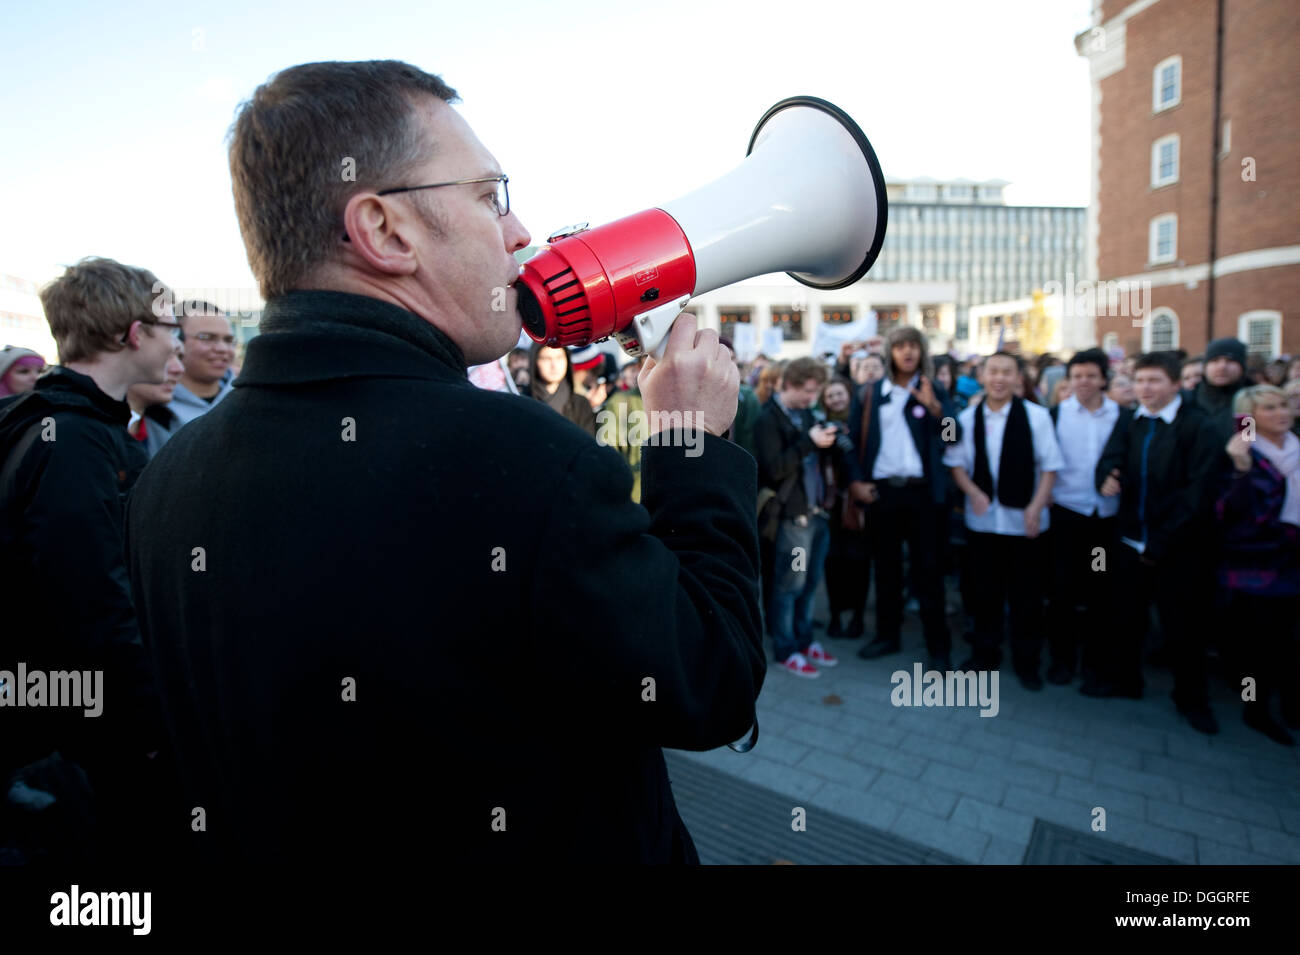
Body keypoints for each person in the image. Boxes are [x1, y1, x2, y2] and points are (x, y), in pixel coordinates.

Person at [125, 60, 763, 866]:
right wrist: (692, 446)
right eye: (488, 195)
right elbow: (713, 683)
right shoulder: (523, 460)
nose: (520, 231)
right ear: (386, 231)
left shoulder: (166, 477)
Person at [0, 257, 178, 865]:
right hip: (78, 718)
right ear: (134, 336)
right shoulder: (73, 438)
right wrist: (147, 720)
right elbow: (92, 601)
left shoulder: (51, 421)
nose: (175, 344)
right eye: (169, 329)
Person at [1096, 351, 1221, 733]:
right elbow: (1110, 459)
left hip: (1178, 549)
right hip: (1132, 541)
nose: (1144, 388)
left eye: (1154, 381)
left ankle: (1191, 700)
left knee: (1183, 628)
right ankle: (1126, 683)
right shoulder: (1130, 421)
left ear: (1175, 383)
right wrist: (1106, 477)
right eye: (1140, 380)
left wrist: (1164, 540)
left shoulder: (1200, 426)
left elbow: (1198, 493)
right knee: (1127, 619)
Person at [944, 351, 1063, 688]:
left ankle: (1028, 662)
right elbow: (954, 463)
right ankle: (985, 655)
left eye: (1006, 372)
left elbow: (1050, 466)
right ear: (982, 376)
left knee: (1027, 596)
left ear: (1017, 378)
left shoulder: (1038, 417)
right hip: (982, 522)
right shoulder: (965, 419)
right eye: (993, 371)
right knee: (985, 594)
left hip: (1025, 522)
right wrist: (973, 492)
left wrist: (1036, 507)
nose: (999, 378)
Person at [850, 326, 960, 669]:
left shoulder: (934, 388)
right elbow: (852, 442)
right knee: (886, 569)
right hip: (883, 494)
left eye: (914, 345)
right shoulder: (869, 393)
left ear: (922, 351)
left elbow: (954, 437)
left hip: (923, 495)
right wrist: (855, 481)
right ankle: (887, 635)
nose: (908, 352)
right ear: (891, 352)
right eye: (900, 346)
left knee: (928, 571)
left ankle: (938, 647)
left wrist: (934, 408)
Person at [755, 357, 851, 677]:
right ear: (790, 384)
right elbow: (774, 469)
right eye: (808, 391)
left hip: (818, 514)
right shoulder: (768, 418)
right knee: (789, 586)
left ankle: (804, 638)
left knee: (810, 585)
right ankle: (785, 648)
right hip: (793, 519)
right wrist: (809, 442)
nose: (812, 398)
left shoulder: (808, 413)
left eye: (816, 391)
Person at [1217, 385, 1300, 745]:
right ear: (1250, 415)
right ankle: (1256, 708)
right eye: (1269, 408)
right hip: (1258, 562)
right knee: (1260, 644)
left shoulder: (1296, 446)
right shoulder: (1243, 452)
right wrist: (1241, 468)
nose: (1281, 413)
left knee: (1290, 641)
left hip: (1294, 558)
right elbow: (1229, 513)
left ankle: (1290, 706)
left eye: (1283, 405)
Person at [1045, 349, 1121, 687]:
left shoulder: (1123, 416)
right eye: (1077, 376)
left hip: (1103, 521)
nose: (1084, 382)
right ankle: (1062, 661)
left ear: (1104, 378)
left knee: (1100, 593)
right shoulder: (1055, 415)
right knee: (1061, 591)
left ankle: (1094, 663)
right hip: (1065, 516)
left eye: (1091, 375)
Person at [819, 376, 871, 640]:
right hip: (832, 504)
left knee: (859, 561)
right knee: (833, 562)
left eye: (839, 394)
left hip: (857, 504)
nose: (836, 399)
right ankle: (836, 615)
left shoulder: (862, 423)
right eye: (830, 395)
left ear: (849, 395)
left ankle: (858, 616)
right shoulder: (820, 425)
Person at [169, 300, 236, 427]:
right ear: (176, 340)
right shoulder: (153, 409)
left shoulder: (246, 400)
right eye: (206, 337)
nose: (222, 348)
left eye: (228, 340)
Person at [126, 338, 185, 458]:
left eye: (180, 357)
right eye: (166, 354)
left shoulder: (170, 432)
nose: (179, 369)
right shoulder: (89, 429)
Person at [525, 341, 597, 435]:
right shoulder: (523, 400)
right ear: (535, 361)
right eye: (546, 359)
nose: (554, 365)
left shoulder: (580, 404)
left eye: (559, 358)